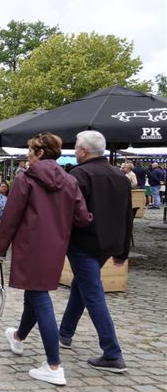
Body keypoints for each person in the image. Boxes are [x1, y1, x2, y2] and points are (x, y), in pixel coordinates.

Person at [0, 133, 91, 386]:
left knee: (39, 298)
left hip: (30, 247)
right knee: (34, 295)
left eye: (30, 150)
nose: (27, 153)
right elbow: (82, 218)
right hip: (55, 247)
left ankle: (53, 365)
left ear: (40, 153)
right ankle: (18, 337)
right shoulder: (70, 181)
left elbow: (11, 218)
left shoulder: (25, 179)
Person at [59, 130, 132, 373]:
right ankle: (65, 333)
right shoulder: (119, 175)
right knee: (82, 286)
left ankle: (112, 353)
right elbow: (126, 215)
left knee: (93, 294)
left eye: (77, 148)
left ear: (83, 151)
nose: (76, 152)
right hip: (108, 244)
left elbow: (67, 213)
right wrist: (123, 251)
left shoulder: (79, 174)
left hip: (83, 244)